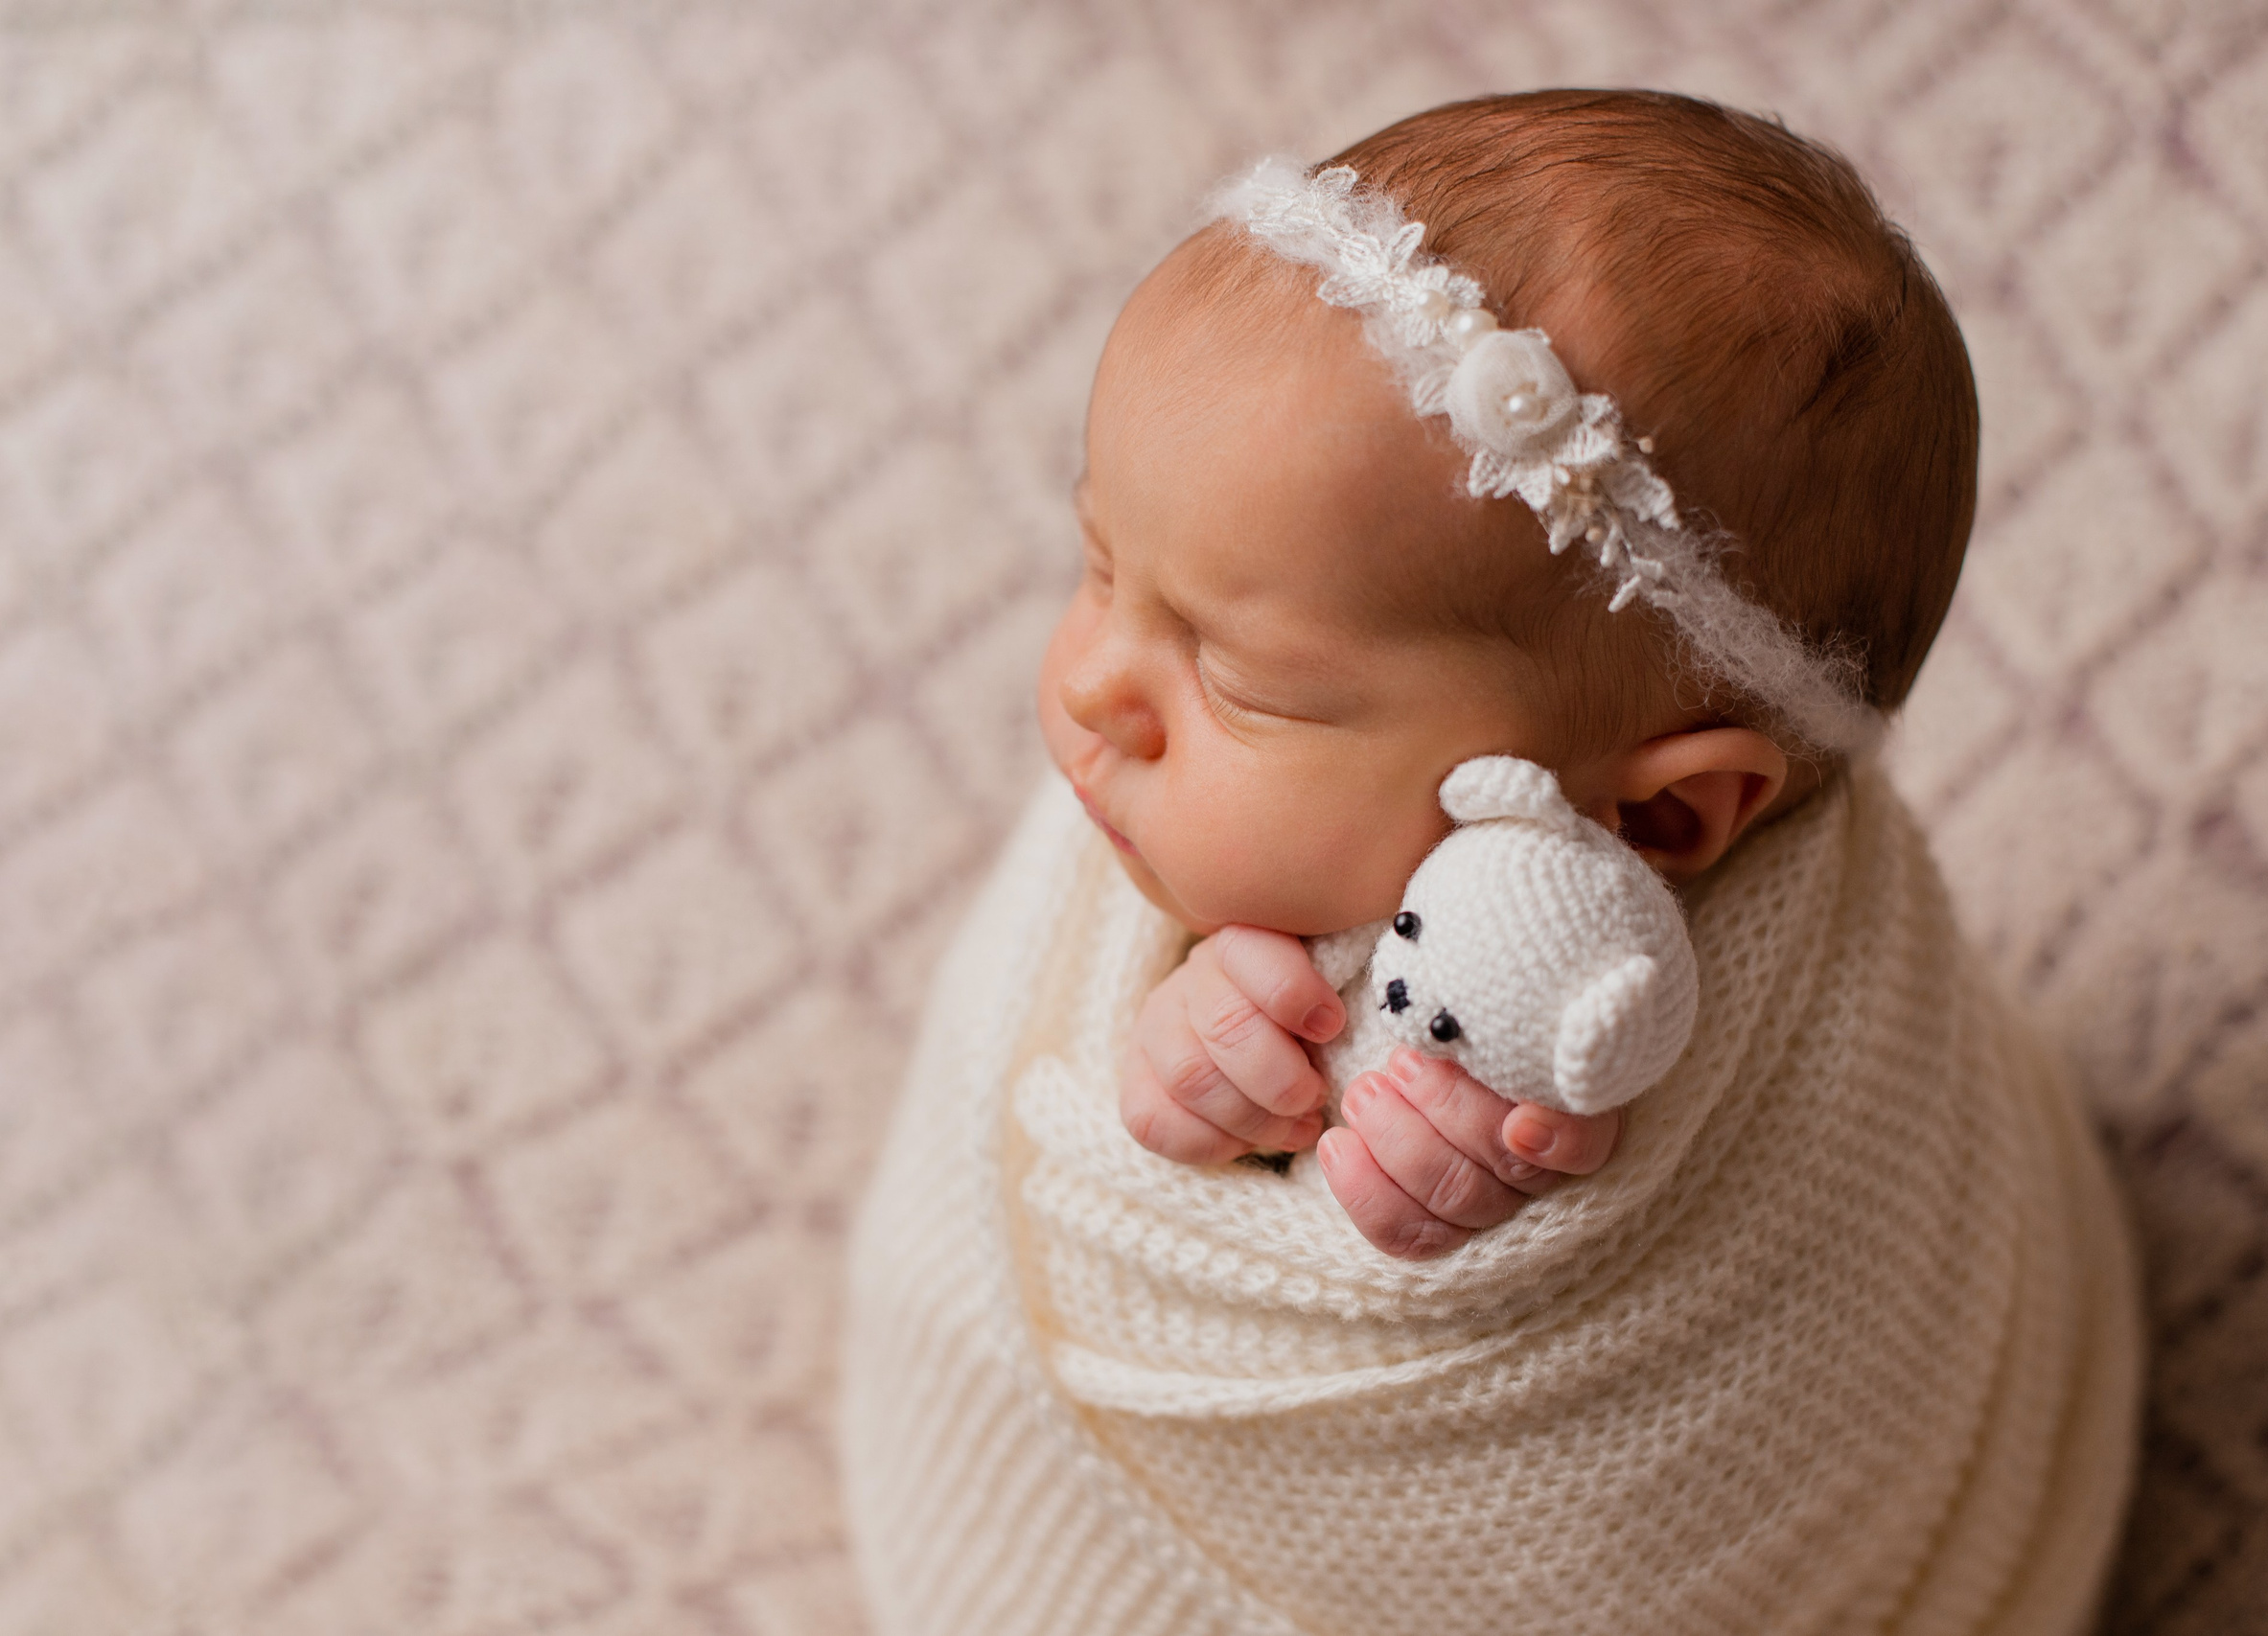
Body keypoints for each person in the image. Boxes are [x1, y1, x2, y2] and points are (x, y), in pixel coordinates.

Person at [844, 89, 2141, 1636]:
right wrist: (1186, 1053)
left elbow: (1623, 1455)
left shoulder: (1750, 1044)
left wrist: (1444, 1184)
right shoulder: (1188, 779)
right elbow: (1073, 1088)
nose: (1095, 686)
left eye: (1236, 676)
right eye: (1102, 565)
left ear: (1659, 823)